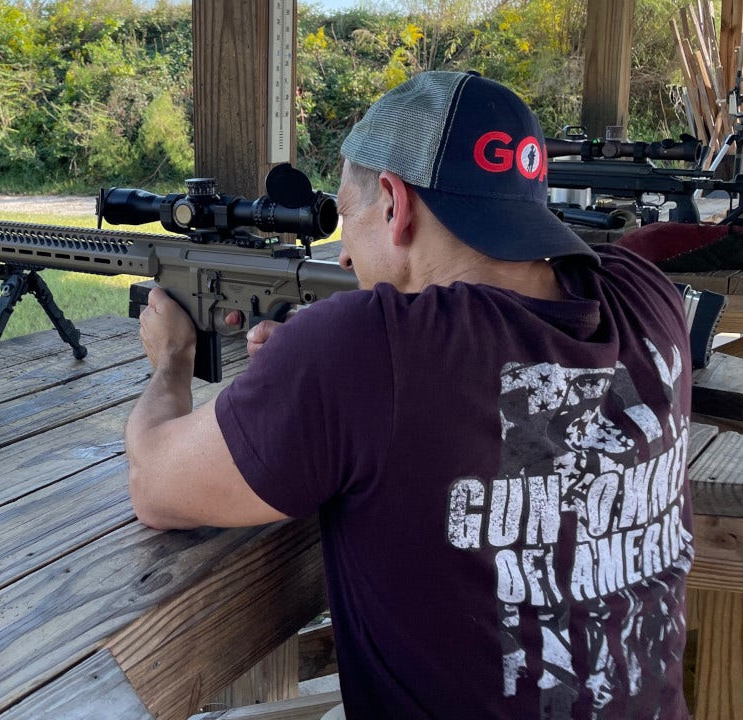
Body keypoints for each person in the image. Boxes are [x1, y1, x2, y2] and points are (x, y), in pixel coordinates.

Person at [125, 71, 694, 719]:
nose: (341, 256)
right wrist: (310, 385)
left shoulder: (371, 351)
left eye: (345, 215)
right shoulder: (648, 297)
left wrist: (171, 360)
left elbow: (156, 484)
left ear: (394, 204)